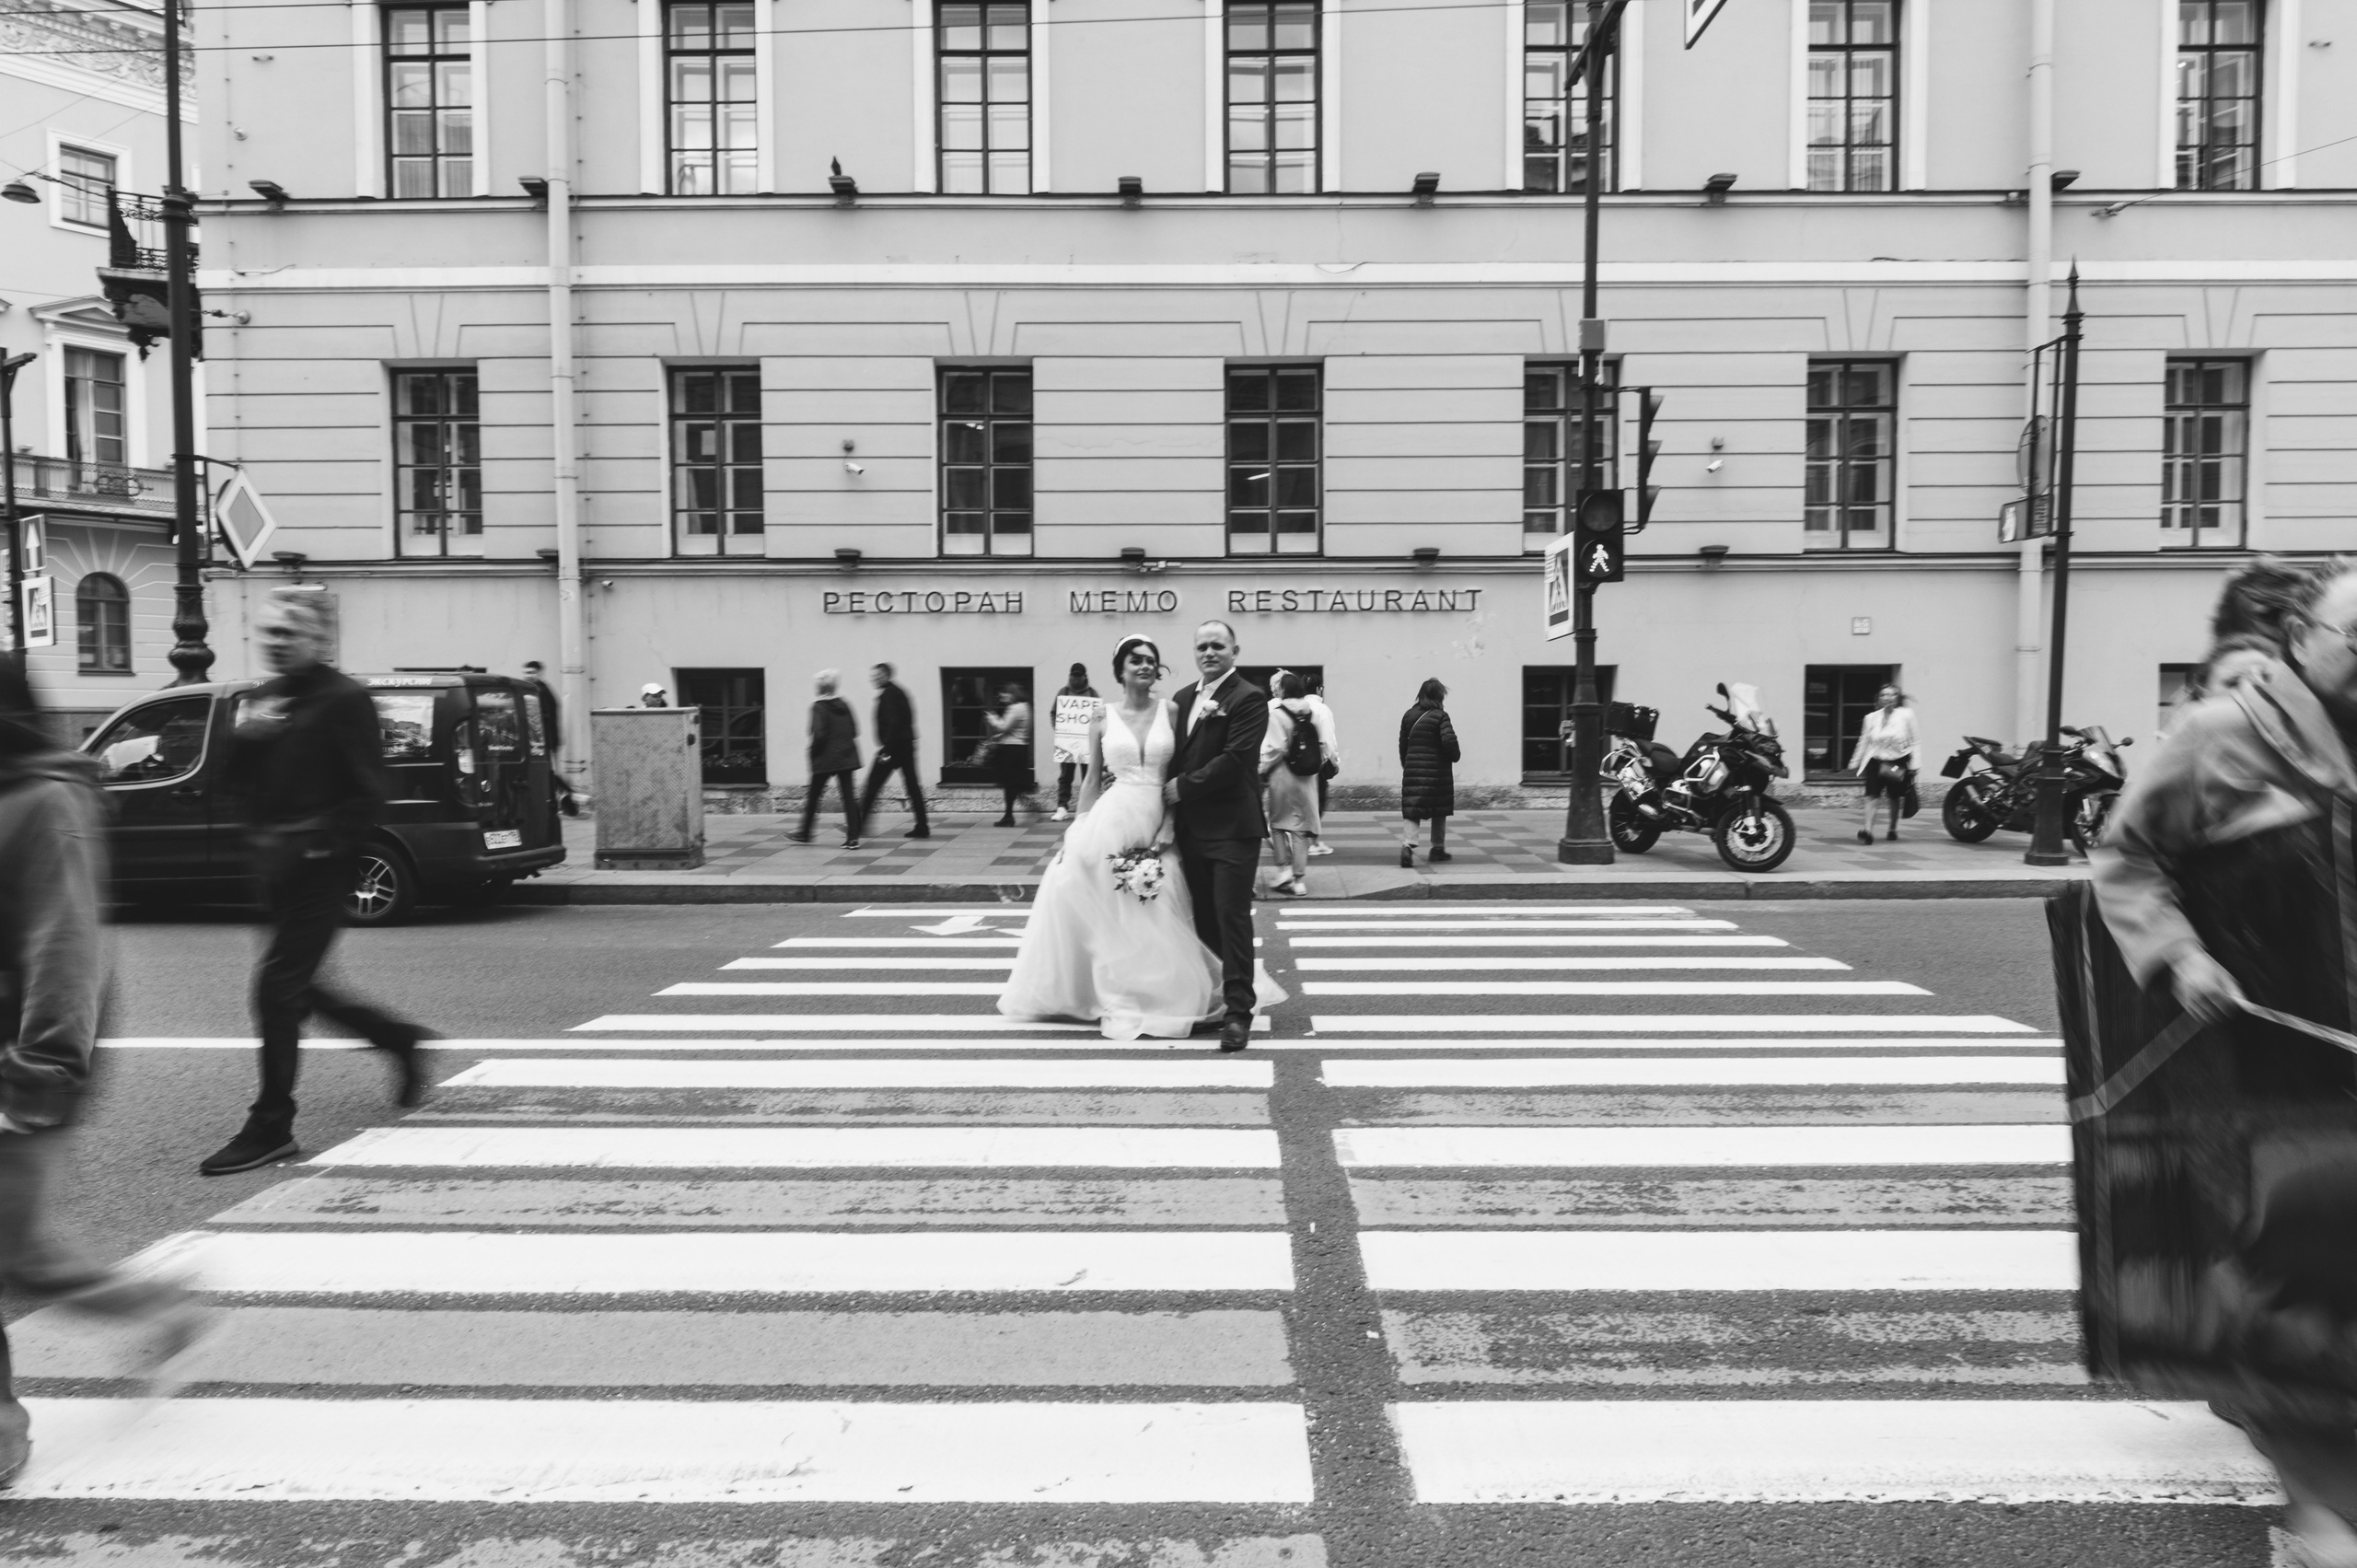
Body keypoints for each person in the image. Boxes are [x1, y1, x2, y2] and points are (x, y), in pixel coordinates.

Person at [2093, 565, 2357, 1568]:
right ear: (2304, 634)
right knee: (2299, 1294)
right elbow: (2127, 857)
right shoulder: (2220, 736)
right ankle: (2322, 1525)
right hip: (2275, 1064)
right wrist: (2180, 955)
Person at [0, 661, 211, 1481]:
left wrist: (41, 1073)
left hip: (21, 1070)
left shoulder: (43, 801)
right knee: (17, 1255)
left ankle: (163, 1309)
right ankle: (166, 1307)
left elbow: (66, 949)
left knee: (19, 1258)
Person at [203, 591, 431, 1177]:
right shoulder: (263, 697)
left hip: (320, 871)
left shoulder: (345, 700)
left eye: (290, 632)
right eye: (269, 632)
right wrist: (246, 741)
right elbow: (234, 782)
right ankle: (399, 1039)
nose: (277, 641)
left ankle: (271, 1124)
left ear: (319, 640)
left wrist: (317, 842)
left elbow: (368, 792)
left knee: (276, 991)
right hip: (274, 870)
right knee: (301, 989)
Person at [997, 635, 1282, 1041]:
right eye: (1136, 661)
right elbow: (1092, 780)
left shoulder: (1174, 708)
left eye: (1151, 660)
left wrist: (1168, 824)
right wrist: (1077, 831)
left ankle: (1176, 994)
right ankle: (1120, 992)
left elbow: (1179, 771)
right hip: (1113, 817)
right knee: (1111, 911)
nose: (1145, 666)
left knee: (1162, 908)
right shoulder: (1101, 716)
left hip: (1162, 815)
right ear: (1121, 669)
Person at [1164, 621, 1268, 1051]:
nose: (1209, 652)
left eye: (1218, 646)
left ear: (1234, 650)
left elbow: (1236, 759)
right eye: (1202, 646)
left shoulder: (1249, 697)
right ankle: (1215, 1003)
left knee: (1231, 917)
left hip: (1232, 830)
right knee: (1203, 920)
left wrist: (1182, 788)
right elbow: (1171, 756)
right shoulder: (1183, 698)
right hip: (1191, 831)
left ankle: (1239, 1013)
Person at [1260, 671, 1324, 897]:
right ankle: (1299, 881)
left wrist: (1262, 768)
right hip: (1307, 777)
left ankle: (1283, 870)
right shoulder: (1312, 711)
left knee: (1277, 825)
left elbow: (1276, 747)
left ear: (1283, 691)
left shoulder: (1276, 714)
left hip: (1283, 776)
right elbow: (1321, 744)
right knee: (1300, 829)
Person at [790, 668, 862, 849]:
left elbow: (819, 735)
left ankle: (805, 833)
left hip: (826, 759)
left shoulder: (818, 707)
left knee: (814, 796)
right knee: (848, 798)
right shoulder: (845, 705)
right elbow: (854, 730)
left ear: (820, 688)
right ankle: (853, 838)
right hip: (846, 756)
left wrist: (813, 752)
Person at [856, 662, 928, 840]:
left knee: (872, 785)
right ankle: (922, 826)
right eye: (874, 676)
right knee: (912, 787)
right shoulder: (898, 692)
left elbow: (894, 723)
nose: (875, 679)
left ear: (888, 676)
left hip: (894, 748)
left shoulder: (890, 694)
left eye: (879, 676)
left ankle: (858, 827)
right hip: (904, 746)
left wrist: (886, 751)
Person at [1396, 678, 1459, 868]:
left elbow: (1402, 744)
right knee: (1439, 809)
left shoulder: (1409, 715)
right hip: (1437, 771)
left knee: (1413, 808)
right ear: (1439, 696)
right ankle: (1437, 849)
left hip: (1413, 769)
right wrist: (1455, 755)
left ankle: (1408, 846)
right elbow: (1449, 742)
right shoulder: (1440, 716)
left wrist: (1406, 764)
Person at [1847, 683, 1921, 845]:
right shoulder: (1871, 717)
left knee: (1893, 796)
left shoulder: (1907, 715)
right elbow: (1864, 741)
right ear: (1879, 699)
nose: (1887, 698)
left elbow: (1915, 742)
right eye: (1883, 695)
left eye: (1892, 695)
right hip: (1876, 761)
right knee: (1871, 795)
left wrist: (1915, 764)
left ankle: (1892, 828)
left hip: (1896, 762)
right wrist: (1855, 761)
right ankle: (1867, 831)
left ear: (1897, 698)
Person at [517, 659, 580, 817]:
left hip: (544, 741)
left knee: (547, 773)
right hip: (543, 741)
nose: (528, 676)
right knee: (547, 773)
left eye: (531, 673)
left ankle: (569, 795)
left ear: (539, 673)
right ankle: (565, 798)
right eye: (526, 673)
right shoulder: (537, 690)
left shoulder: (541, 691)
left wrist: (544, 742)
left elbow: (544, 718)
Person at [982, 682, 1038, 827]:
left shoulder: (1015, 708)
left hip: (1012, 750)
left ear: (1013, 694)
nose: (1002, 695)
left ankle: (1011, 813)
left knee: (1009, 782)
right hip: (1020, 748)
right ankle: (1012, 809)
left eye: (1005, 693)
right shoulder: (1026, 707)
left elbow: (1003, 726)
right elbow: (1012, 729)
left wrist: (992, 718)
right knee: (1011, 782)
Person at [1050, 663, 1098, 823]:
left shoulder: (1093, 694)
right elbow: (1054, 714)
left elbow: (1099, 717)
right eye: (1074, 675)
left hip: (1087, 744)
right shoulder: (1062, 693)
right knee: (1065, 776)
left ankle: (1087, 808)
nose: (1076, 678)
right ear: (1070, 676)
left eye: (1079, 675)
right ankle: (1062, 807)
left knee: (1088, 776)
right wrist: (1060, 730)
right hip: (1067, 742)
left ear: (1085, 676)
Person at [1303, 678, 1341, 855]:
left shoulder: (1298, 705)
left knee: (1302, 802)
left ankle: (1301, 839)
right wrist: (1334, 762)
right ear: (1319, 689)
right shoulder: (1322, 709)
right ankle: (1312, 842)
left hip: (1297, 762)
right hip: (1317, 763)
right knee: (1318, 801)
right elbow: (1328, 740)